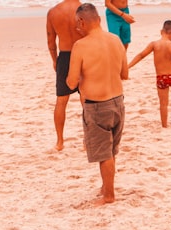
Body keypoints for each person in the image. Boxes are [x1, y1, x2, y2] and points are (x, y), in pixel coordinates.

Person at [66, 2, 128, 205]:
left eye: (78, 24)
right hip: (118, 101)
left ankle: (109, 196)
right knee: (111, 150)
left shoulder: (80, 46)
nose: (77, 28)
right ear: (99, 19)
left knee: (104, 154)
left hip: (97, 105)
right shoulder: (116, 39)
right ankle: (105, 186)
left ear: (81, 21)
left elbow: (72, 81)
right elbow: (124, 74)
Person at [128, 20, 171, 128]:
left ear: (161, 31)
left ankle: (164, 125)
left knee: (163, 104)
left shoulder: (154, 44)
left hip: (161, 78)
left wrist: (128, 66)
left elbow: (141, 55)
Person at [46, 0, 83, 152]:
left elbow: (51, 42)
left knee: (61, 100)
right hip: (83, 54)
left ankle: (60, 142)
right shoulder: (84, 10)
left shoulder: (54, 12)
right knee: (86, 100)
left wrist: (55, 61)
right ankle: (87, 141)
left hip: (65, 56)